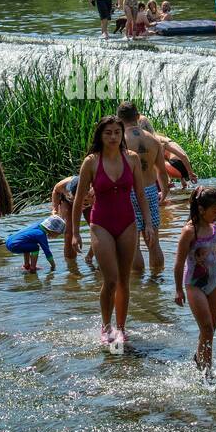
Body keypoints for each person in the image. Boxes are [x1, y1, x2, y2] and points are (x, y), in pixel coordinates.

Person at [71, 116, 153, 350]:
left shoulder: (133, 159)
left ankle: (121, 328)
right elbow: (78, 201)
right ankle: (106, 326)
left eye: (117, 132)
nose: (113, 137)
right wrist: (74, 233)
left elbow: (140, 194)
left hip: (128, 222)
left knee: (125, 281)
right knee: (111, 280)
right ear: (101, 135)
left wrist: (147, 224)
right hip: (101, 224)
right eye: (108, 132)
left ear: (122, 135)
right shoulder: (91, 162)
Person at [174, 186, 216, 372]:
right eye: (215, 211)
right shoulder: (189, 231)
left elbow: (214, 249)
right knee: (207, 328)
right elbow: (179, 263)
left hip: (214, 282)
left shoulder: (212, 226)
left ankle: (199, 359)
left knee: (211, 329)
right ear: (201, 209)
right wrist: (178, 289)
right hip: (194, 284)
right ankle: (206, 371)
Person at [117, 102, 169, 273]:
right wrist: (164, 193)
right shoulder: (153, 139)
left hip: (128, 193)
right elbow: (162, 172)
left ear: (118, 119)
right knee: (153, 241)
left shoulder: (120, 140)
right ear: (138, 117)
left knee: (134, 243)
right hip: (150, 191)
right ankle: (157, 280)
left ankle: (138, 285)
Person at [52, 173, 95, 263]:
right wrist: (54, 210)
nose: (80, 202)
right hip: (68, 203)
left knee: (96, 229)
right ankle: (71, 266)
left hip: (90, 205)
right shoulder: (65, 185)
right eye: (77, 198)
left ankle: (90, 257)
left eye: (85, 200)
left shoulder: (94, 190)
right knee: (68, 233)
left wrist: (89, 256)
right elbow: (56, 191)